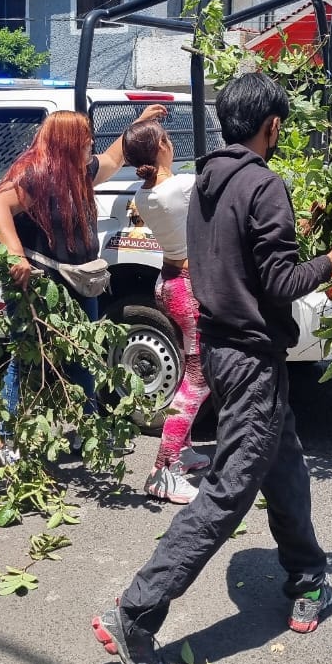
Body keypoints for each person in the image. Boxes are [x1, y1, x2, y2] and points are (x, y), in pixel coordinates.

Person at [92, 72, 332, 664]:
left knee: (285, 465)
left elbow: (242, 258)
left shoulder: (205, 182)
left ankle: (305, 574)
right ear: (271, 126)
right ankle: (136, 612)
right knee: (229, 489)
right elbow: (279, 283)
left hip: (217, 346)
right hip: (251, 357)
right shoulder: (265, 185)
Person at [0, 104, 168, 461]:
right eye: (85, 140)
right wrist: (17, 256)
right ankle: (8, 439)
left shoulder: (79, 172)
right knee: (26, 357)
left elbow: (114, 157)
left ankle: (87, 431)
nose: (91, 145)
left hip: (80, 281)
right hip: (40, 282)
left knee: (83, 354)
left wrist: (139, 124)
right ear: (67, 143)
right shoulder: (35, 175)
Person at [122, 119, 211, 505]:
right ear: (161, 147)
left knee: (190, 371)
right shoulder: (181, 187)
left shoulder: (145, 194)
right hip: (188, 290)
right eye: (167, 138)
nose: (172, 143)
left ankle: (184, 449)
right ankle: (163, 469)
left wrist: (141, 128)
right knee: (199, 379)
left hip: (170, 283)